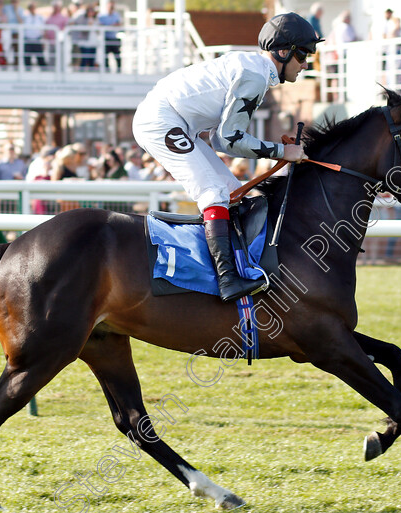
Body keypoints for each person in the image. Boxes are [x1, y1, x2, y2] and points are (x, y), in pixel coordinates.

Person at [132, 12, 318, 302]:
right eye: (304, 55)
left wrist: (279, 150)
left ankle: (240, 267)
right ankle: (227, 280)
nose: (306, 64)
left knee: (233, 192)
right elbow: (229, 140)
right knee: (214, 193)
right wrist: (284, 152)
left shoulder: (256, 70)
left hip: (179, 121)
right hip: (161, 120)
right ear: (284, 52)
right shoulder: (255, 75)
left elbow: (221, 137)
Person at [98, 1, 122, 72]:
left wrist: (109, 26)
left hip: (114, 38)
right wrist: (111, 26)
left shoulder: (116, 15)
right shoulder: (102, 16)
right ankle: (107, 70)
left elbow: (119, 24)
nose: (111, 8)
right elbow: (100, 25)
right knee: (105, 56)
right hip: (106, 38)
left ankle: (119, 70)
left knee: (117, 56)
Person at [22, 2, 46, 68]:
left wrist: (43, 40)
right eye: (31, 8)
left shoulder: (40, 17)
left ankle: (44, 72)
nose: (32, 9)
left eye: (33, 8)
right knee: (27, 59)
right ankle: (28, 73)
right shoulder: (26, 17)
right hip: (28, 40)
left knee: (40, 59)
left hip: (37, 40)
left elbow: (43, 29)